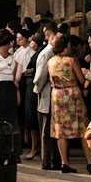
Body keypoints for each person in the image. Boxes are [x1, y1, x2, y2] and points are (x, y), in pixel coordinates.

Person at [48, 35, 90, 173]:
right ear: (66, 47)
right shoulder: (71, 60)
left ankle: (64, 162)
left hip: (57, 95)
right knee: (82, 127)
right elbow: (81, 79)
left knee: (60, 130)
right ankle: (90, 162)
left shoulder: (51, 61)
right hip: (72, 94)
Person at [34, 23, 62, 171]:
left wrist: (36, 88)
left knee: (46, 130)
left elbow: (40, 76)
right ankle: (54, 160)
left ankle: (47, 160)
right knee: (53, 130)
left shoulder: (47, 53)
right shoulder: (53, 52)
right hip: (53, 93)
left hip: (46, 93)